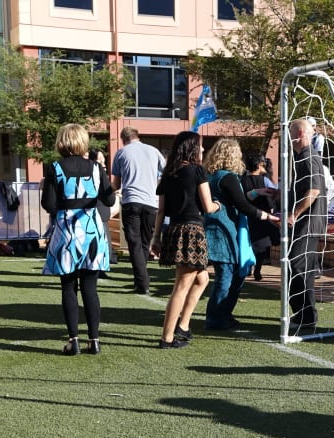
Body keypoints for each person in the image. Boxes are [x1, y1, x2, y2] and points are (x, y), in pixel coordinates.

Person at [40, 124, 116, 355]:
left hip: (66, 230)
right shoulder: (95, 167)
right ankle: (94, 340)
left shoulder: (54, 168)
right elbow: (110, 200)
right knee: (91, 288)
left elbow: (49, 205)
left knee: (68, 287)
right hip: (92, 229)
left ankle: (73, 340)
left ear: (62, 142)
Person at [150, 131, 218, 348]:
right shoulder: (197, 170)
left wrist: (156, 237)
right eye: (200, 146)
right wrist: (219, 205)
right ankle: (167, 338)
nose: (203, 150)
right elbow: (208, 206)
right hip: (192, 231)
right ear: (191, 148)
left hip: (174, 229)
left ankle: (184, 326)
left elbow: (161, 211)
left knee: (202, 279)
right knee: (181, 285)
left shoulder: (168, 174)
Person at [202, 138, 272, 330]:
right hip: (225, 230)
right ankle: (216, 317)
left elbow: (235, 199)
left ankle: (222, 313)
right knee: (227, 275)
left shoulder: (211, 176)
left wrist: (256, 193)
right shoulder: (228, 177)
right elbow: (241, 204)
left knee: (232, 274)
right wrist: (267, 216)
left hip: (217, 228)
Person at [284, 118, 328, 329]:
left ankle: (305, 316)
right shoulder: (302, 156)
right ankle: (305, 315)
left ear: (299, 134)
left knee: (297, 266)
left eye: (290, 132)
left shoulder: (308, 156)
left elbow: (314, 191)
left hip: (308, 223)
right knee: (301, 268)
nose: (288, 137)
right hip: (308, 222)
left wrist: (295, 213)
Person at [111, 126, 165, 295]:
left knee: (134, 243)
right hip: (151, 202)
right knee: (143, 242)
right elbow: (166, 172)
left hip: (131, 201)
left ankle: (142, 282)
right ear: (137, 136)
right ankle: (140, 280)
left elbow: (117, 184)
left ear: (123, 139)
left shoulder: (121, 153)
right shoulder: (154, 151)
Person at [239, 153, 279, 282]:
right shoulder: (265, 180)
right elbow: (274, 191)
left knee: (249, 243)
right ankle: (257, 269)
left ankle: (249, 267)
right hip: (262, 216)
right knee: (261, 245)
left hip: (248, 216)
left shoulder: (241, 180)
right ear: (259, 165)